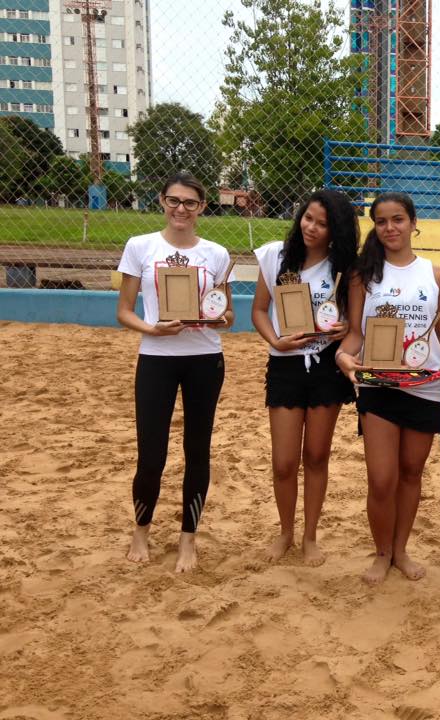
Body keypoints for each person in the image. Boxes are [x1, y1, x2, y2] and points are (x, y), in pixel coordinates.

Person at [336, 192, 440, 586]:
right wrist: (344, 357)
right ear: (374, 226)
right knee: (381, 478)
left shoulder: (435, 274)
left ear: (413, 222)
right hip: (379, 387)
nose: (390, 228)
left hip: (424, 386)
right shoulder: (364, 275)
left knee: (411, 473)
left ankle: (401, 550)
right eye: (381, 221)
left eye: (397, 219)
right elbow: (355, 334)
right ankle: (381, 553)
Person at [116, 172, 234, 572]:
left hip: (204, 358)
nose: (181, 209)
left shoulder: (216, 253)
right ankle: (141, 530)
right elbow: (124, 311)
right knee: (151, 455)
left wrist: (219, 319)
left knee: (197, 451)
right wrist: (153, 328)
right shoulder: (140, 247)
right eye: (174, 200)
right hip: (156, 356)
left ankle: (188, 538)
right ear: (162, 201)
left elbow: (227, 311)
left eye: (190, 202)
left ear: (202, 207)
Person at [251, 190, 359, 564]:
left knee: (316, 456)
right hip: (285, 365)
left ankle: (310, 535)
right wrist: (275, 341)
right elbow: (260, 312)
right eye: (308, 218)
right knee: (283, 461)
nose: (311, 227)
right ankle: (285, 532)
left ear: (336, 231)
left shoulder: (345, 268)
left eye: (323, 223)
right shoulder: (276, 257)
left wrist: (346, 329)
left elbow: (355, 325)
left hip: (327, 367)